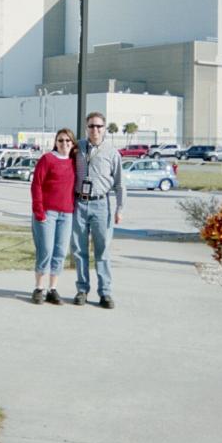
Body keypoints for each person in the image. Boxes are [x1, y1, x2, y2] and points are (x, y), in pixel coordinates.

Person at [72, 111, 126, 309]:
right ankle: (82, 289)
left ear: (105, 129)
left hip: (101, 204)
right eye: (91, 126)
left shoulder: (112, 153)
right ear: (86, 128)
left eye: (99, 126)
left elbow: (120, 184)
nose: (95, 130)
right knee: (79, 249)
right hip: (79, 204)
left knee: (102, 250)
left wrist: (120, 209)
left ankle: (105, 292)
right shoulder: (77, 148)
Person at [30, 128, 77, 305]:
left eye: (67, 141)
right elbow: (36, 185)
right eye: (60, 140)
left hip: (67, 214)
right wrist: (39, 211)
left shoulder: (74, 162)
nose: (64, 144)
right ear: (55, 142)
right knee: (46, 250)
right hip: (47, 213)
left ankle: (53, 289)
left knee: (60, 252)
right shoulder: (47, 159)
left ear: (72, 144)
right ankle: (39, 288)